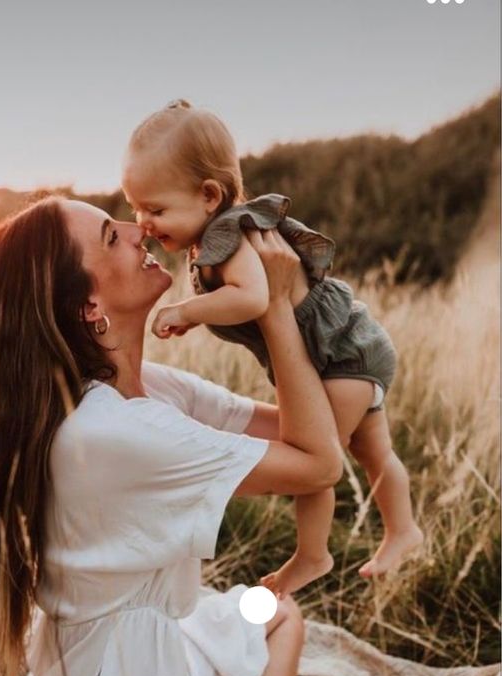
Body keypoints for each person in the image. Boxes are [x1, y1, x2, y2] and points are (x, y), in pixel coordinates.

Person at [0, 196, 424, 676]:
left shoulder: (148, 387)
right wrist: (272, 310)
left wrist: (303, 306)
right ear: (89, 306)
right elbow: (316, 465)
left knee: (274, 611)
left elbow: (320, 433)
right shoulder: (111, 431)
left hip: (151, 661)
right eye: (109, 236)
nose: (136, 228)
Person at [121, 99, 424, 596]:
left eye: (155, 209)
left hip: (338, 354)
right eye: (135, 207)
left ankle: (313, 555)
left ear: (209, 194)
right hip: (346, 348)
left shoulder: (230, 236)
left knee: (313, 461)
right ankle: (403, 528)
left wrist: (187, 313)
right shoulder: (213, 237)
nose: (144, 222)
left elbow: (254, 297)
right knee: (372, 448)